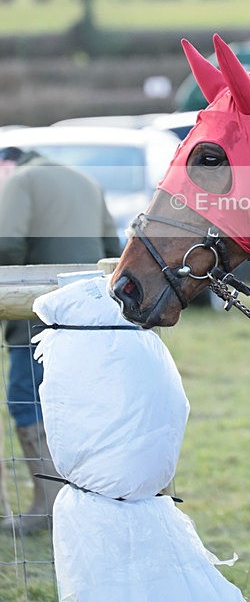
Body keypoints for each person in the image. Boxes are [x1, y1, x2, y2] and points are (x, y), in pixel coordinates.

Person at [0, 146, 121, 533]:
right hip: (90, 314)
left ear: (7, 164)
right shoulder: (87, 181)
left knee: (26, 399)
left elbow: (7, 245)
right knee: (81, 405)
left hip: (37, 314)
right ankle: (92, 501)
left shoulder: (20, 180)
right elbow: (112, 251)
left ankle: (50, 505)